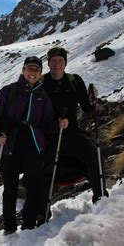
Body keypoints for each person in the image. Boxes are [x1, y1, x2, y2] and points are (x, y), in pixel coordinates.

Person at [0, 56, 66, 234]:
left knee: (34, 186)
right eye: (30, 69)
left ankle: (29, 225)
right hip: (9, 142)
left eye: (36, 70)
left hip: (33, 144)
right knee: (10, 188)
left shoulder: (42, 95)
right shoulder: (9, 91)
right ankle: (9, 226)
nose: (33, 73)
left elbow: (46, 122)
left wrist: (58, 125)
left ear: (40, 74)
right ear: (23, 71)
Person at [39, 47, 108, 222]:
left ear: (65, 63)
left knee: (94, 155)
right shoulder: (40, 83)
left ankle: (101, 200)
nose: (56, 64)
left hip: (72, 133)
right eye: (53, 61)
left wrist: (93, 99)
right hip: (48, 136)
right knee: (41, 169)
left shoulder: (74, 81)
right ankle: (41, 214)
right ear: (48, 63)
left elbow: (86, 108)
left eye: (60, 61)